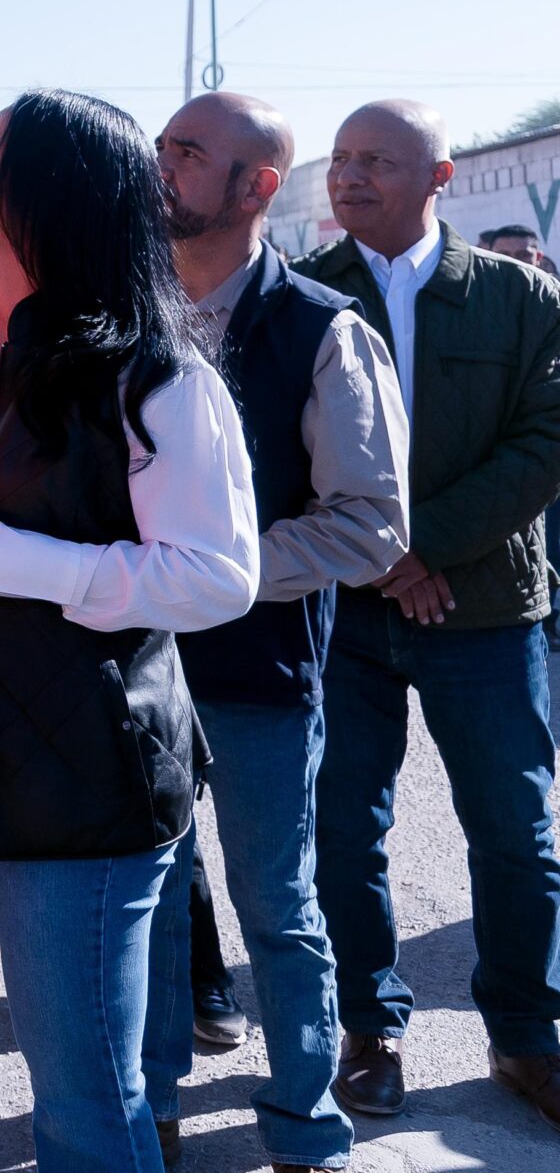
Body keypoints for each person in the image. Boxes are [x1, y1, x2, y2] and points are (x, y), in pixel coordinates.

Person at [0, 90, 258, 1173]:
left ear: (46, 195)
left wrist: (4, 557)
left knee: (81, 1094)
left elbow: (219, 577)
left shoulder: (153, 376)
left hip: (78, 740)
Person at [143, 93, 410, 1173]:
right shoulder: (122, 318)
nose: (163, 169)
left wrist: (217, 576)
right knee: (146, 904)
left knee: (277, 905)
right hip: (130, 671)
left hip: (258, 670)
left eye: (190, 154)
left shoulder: (322, 331)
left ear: (258, 187)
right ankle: (145, 1112)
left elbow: (371, 525)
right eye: (161, 149)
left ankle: (304, 1122)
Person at [295, 100, 560, 1131]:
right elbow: (275, 451)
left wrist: (418, 549)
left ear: (439, 176)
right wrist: (379, 564)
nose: (349, 178)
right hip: (346, 617)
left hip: (486, 607)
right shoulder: (307, 293)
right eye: (341, 161)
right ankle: (369, 1027)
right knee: (341, 829)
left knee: (515, 833)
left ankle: (526, 1037)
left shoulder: (517, 297)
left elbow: (543, 445)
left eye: (378, 161)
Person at [486, 225, 560, 759]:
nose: (521, 263)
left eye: (527, 255)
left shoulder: (546, 304)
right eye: (508, 255)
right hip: (498, 510)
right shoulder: (479, 312)